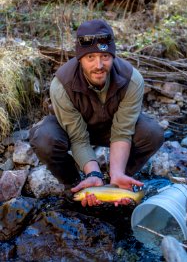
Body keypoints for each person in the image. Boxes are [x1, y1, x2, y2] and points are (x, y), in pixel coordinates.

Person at [30, 19, 164, 207]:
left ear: (113, 56)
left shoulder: (132, 79)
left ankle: (117, 181)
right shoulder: (61, 84)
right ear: (80, 58)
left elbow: (122, 132)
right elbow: (78, 138)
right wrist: (93, 173)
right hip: (73, 131)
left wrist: (117, 173)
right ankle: (76, 186)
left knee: (153, 133)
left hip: (111, 129)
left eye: (105, 57)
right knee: (43, 138)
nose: (99, 65)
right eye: (90, 57)